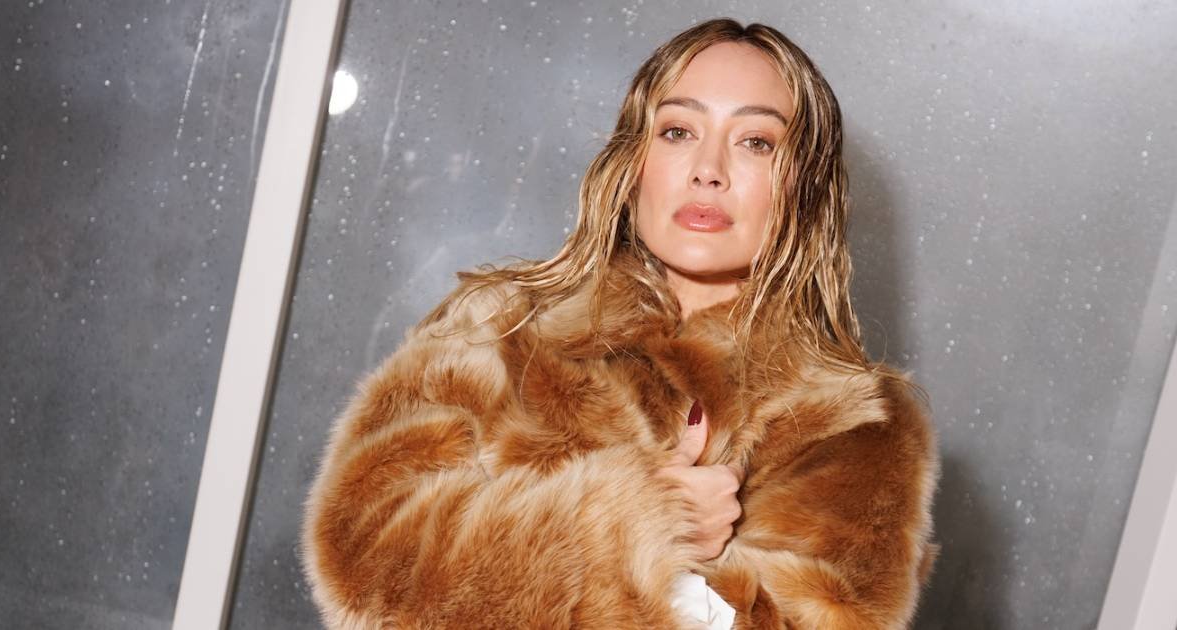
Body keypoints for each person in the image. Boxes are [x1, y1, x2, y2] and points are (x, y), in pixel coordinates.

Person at [301, 17, 938, 629]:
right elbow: (361, 558)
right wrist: (641, 521)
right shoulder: (498, 328)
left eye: (756, 142)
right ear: (634, 163)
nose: (708, 169)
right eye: (678, 131)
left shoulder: (854, 424)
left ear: (804, 185)